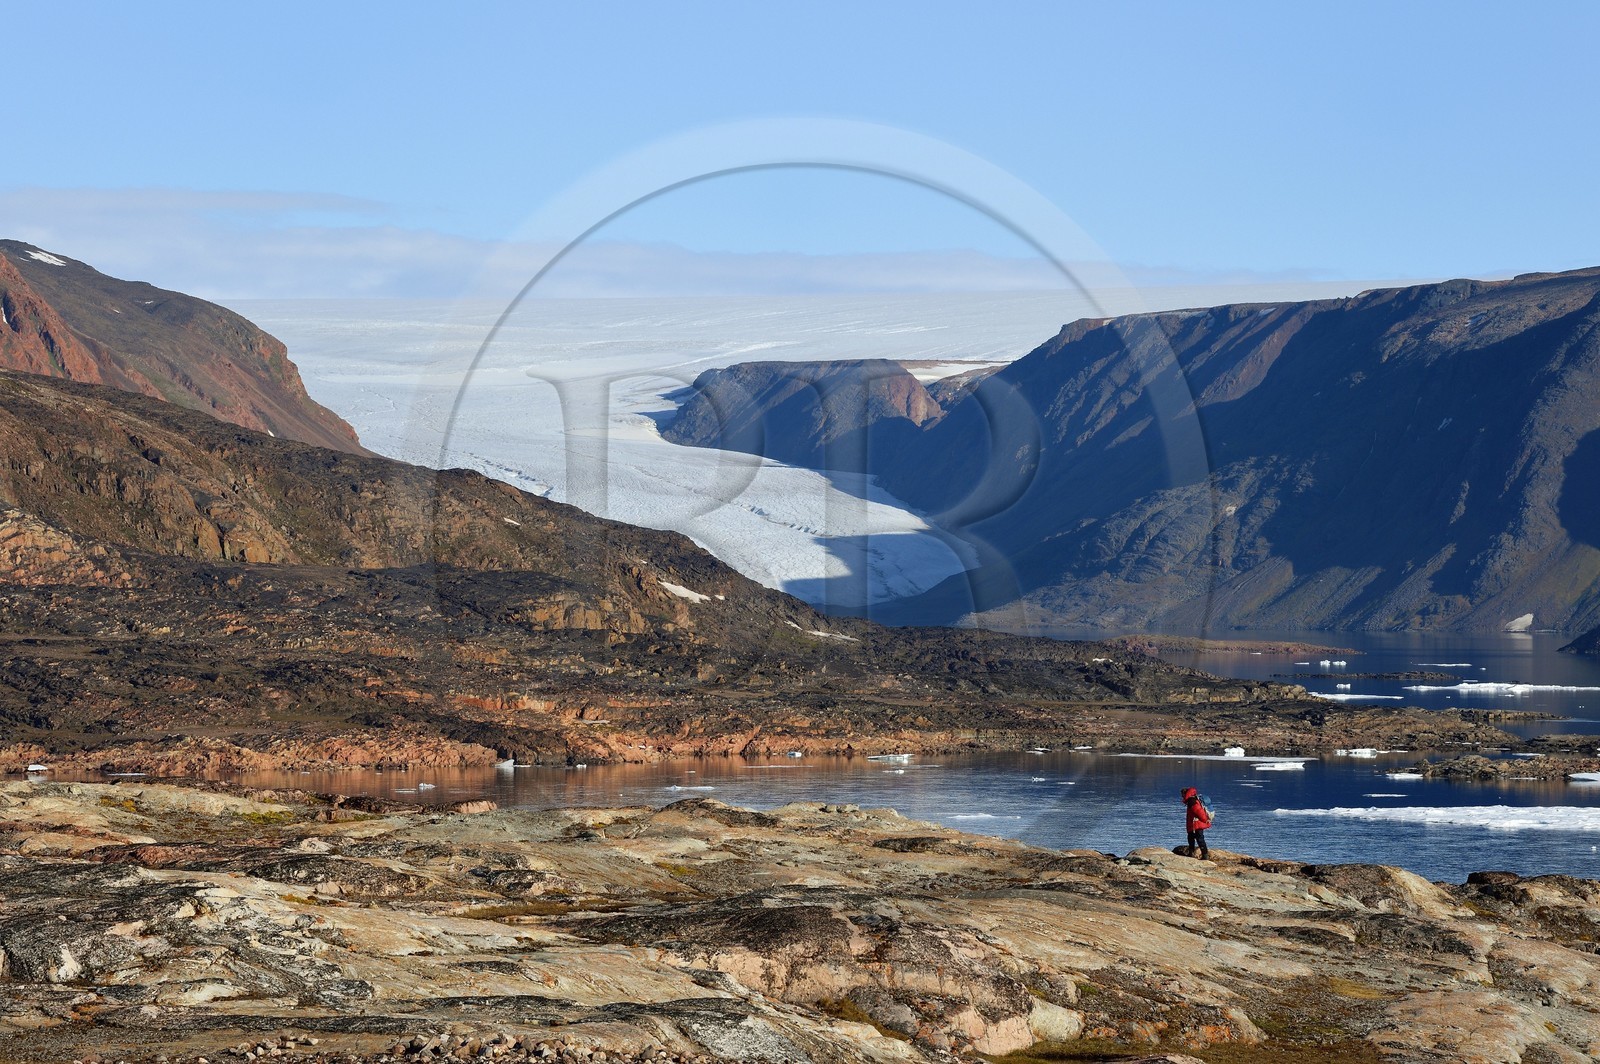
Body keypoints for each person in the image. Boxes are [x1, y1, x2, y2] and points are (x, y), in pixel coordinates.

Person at [1181, 786, 1211, 859]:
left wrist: (1205, 820)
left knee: (1199, 839)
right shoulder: (1193, 799)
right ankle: (1194, 854)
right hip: (1195, 823)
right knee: (1192, 837)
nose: (1182, 797)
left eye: (1182, 795)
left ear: (1185, 794)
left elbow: (1198, 811)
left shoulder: (1191, 801)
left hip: (1197, 823)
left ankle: (1204, 856)